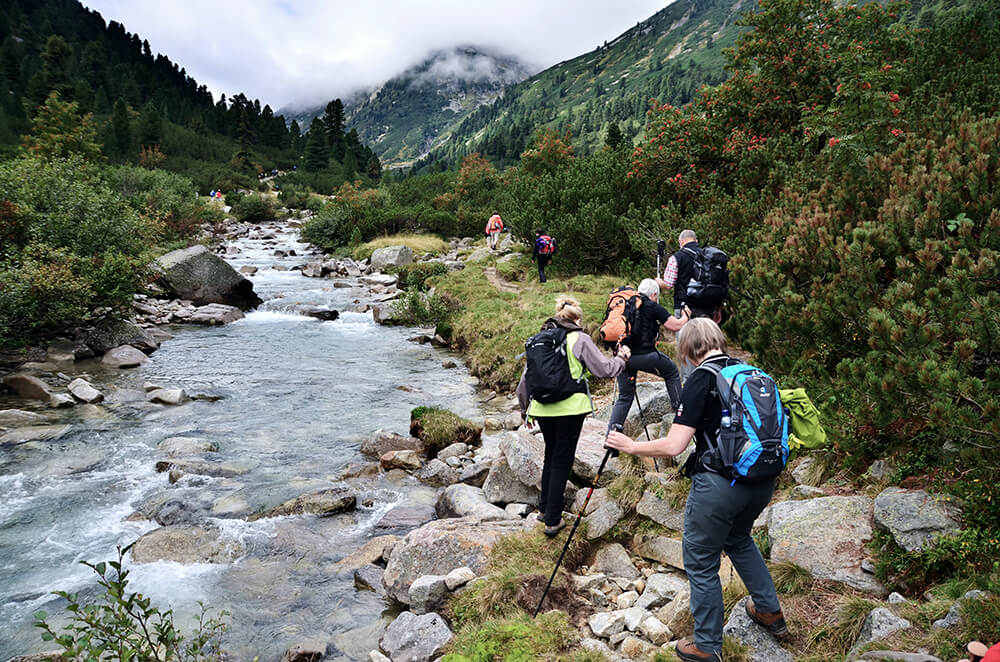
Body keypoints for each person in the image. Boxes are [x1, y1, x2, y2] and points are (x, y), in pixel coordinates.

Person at [606, 318, 787, 662]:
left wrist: (631, 446)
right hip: (763, 481)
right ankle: (769, 612)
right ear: (719, 340)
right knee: (738, 539)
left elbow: (675, 446)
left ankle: (706, 645)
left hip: (720, 484)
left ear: (687, 350)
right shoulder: (752, 374)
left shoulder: (701, 379)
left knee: (701, 561)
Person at [517, 296, 630, 536]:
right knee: (562, 460)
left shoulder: (539, 340)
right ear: (576, 318)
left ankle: (544, 509)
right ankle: (553, 521)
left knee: (550, 455)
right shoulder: (579, 338)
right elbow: (605, 370)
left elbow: (525, 382)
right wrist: (622, 358)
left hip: (541, 408)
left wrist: (526, 411)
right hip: (570, 408)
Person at [608, 279, 688, 430]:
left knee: (625, 396)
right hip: (645, 355)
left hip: (623, 356)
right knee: (671, 372)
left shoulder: (627, 305)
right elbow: (675, 325)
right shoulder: (652, 306)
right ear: (654, 294)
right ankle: (681, 414)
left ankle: (611, 436)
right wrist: (686, 316)